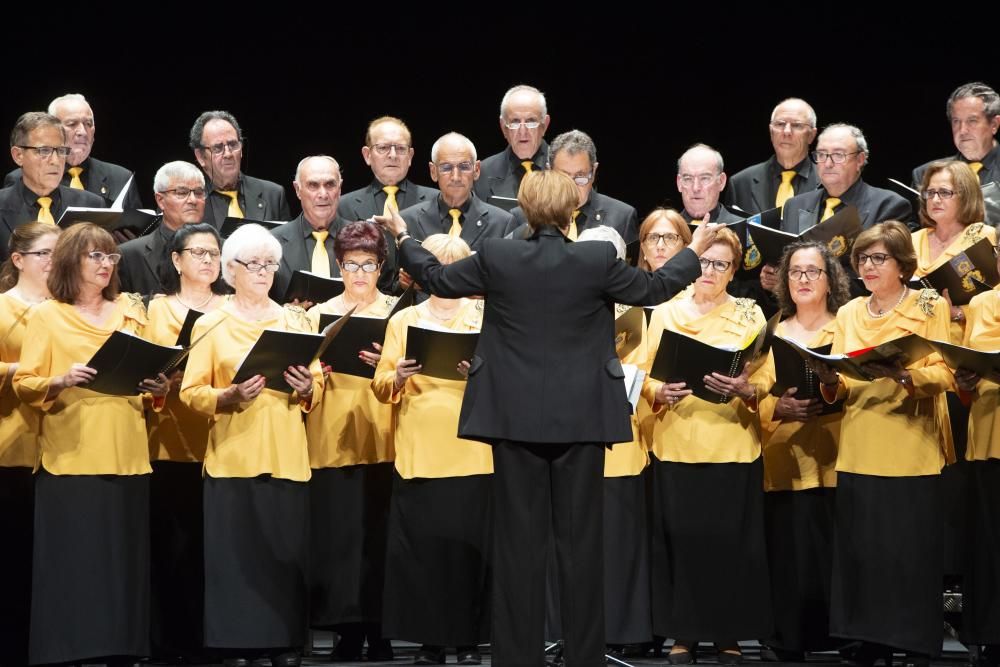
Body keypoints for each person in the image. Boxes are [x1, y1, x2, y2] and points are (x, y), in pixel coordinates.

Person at [378, 169, 716, 667]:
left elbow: (436, 278)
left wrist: (402, 237)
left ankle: (516, 658)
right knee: (581, 545)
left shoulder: (498, 256)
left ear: (525, 208)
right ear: (571, 210)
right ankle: (583, 658)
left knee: (518, 545)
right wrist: (696, 247)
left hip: (513, 421)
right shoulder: (597, 259)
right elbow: (657, 287)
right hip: (581, 421)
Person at [14, 222, 168, 666]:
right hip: (72, 454)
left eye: (111, 257)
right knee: (75, 561)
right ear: (70, 262)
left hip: (127, 450)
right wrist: (60, 380)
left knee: (122, 562)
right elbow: (26, 383)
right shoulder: (47, 315)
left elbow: (155, 383)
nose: (105, 265)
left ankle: (123, 647)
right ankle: (71, 650)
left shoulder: (131, 314)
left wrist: (159, 385)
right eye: (95, 257)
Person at [179, 223, 322, 667]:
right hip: (233, 454)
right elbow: (190, 392)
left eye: (270, 264)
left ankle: (282, 643)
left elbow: (314, 387)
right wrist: (227, 396)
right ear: (229, 270)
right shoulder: (211, 323)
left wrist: (305, 387)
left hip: (284, 453)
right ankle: (236, 645)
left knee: (281, 553)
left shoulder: (294, 321)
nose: (263, 272)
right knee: (236, 557)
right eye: (253, 264)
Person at [811, 221, 954, 666]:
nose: (867, 267)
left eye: (878, 259)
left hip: (910, 442)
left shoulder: (929, 304)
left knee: (906, 552)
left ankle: (912, 639)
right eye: (862, 259)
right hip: (860, 442)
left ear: (903, 265)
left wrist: (908, 375)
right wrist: (829, 381)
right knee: (862, 552)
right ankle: (865, 638)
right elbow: (844, 385)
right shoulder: (851, 312)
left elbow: (947, 372)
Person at [642, 227, 770, 665]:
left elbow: (761, 377)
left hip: (732, 443)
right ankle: (684, 634)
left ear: (733, 271)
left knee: (727, 544)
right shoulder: (663, 312)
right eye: (704, 262)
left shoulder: (750, 315)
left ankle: (726, 635)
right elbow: (644, 374)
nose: (709, 271)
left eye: (721, 264)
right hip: (678, 441)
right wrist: (658, 393)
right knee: (682, 543)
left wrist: (745, 387)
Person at [373, 234, 490, 666]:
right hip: (421, 452)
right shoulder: (404, 321)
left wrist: (478, 373)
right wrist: (399, 376)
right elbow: (381, 385)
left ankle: (468, 640)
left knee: (467, 553)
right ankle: (431, 641)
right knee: (424, 554)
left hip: (473, 451)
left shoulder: (485, 316)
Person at [304, 221, 397, 662]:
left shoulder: (399, 315)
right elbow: (302, 380)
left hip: (385, 437)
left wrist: (388, 363)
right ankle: (346, 631)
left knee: (380, 538)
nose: (360, 273)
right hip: (332, 436)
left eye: (369, 264)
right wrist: (314, 372)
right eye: (351, 264)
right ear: (338, 266)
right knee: (340, 540)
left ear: (381, 267)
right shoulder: (316, 314)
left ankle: (381, 629)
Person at [753, 241, 851, 660]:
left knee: (832, 549)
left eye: (813, 271)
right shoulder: (771, 329)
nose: (803, 280)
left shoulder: (846, 325)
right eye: (795, 272)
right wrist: (778, 404)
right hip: (784, 456)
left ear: (831, 280)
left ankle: (839, 635)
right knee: (789, 551)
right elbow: (750, 393)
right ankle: (787, 637)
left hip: (836, 453)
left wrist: (833, 384)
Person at [144, 222, 227, 658]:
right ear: (176, 260)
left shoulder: (233, 308)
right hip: (171, 442)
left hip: (225, 442)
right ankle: (171, 640)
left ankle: (215, 638)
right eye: (197, 253)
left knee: (214, 548)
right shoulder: (155, 311)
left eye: (214, 253)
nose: (208, 260)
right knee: (174, 546)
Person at [0, 222, 59, 667]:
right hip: (13, 444)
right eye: (45, 254)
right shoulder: (4, 308)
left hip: (61, 445)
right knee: (16, 554)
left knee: (54, 558)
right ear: (18, 260)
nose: (54, 262)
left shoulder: (67, 309)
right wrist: (29, 366)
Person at [954, 248, 1000, 662]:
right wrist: (965, 377)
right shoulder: (981, 303)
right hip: (989, 436)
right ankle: (990, 636)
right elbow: (966, 380)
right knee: (989, 544)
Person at [338, 116, 438, 293]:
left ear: (410, 156)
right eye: (383, 148)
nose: (392, 155)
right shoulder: (343, 205)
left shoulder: (434, 201)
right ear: (367, 155)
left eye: (400, 148)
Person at [4, 93, 143, 208]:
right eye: (72, 124)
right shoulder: (21, 177)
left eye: (88, 124)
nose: (82, 132)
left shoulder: (121, 177)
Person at [0, 112, 104, 258]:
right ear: (18, 155)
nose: (55, 161)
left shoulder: (91, 205)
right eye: (45, 151)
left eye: (61, 151)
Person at [507, 130, 639, 243]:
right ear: (549, 171)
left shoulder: (622, 218)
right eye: (563, 176)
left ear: (593, 172)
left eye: (580, 176)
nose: (571, 187)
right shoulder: (521, 216)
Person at [779, 124, 912, 234]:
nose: (828, 164)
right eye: (821, 154)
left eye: (838, 155)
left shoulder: (889, 206)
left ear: (860, 160)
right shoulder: (794, 205)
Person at [399, 132, 515, 250]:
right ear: (433, 172)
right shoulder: (408, 220)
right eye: (446, 168)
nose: (455, 177)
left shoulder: (502, 223)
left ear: (477, 170)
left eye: (464, 167)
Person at [118, 161, 208, 296]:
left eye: (199, 192)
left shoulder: (224, 250)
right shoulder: (129, 255)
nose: (193, 200)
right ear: (160, 200)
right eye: (182, 192)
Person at [188, 111, 291, 227]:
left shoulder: (273, 194)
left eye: (233, 145)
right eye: (217, 148)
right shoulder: (188, 201)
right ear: (200, 156)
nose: (228, 154)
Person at [270, 156, 349, 302]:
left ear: (340, 188)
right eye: (313, 185)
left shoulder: (361, 239)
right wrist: (284, 313)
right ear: (297, 190)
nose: (323, 194)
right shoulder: (272, 242)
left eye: (330, 184)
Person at [725, 98, 820, 214]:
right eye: (780, 124)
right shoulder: (741, 183)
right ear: (771, 132)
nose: (786, 131)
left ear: (811, 135)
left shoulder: (826, 182)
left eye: (796, 125)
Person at [474, 84, 551, 205]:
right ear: (503, 127)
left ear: (544, 125)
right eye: (515, 122)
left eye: (531, 121)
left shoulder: (567, 168)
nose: (522, 131)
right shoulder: (482, 173)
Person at [912, 82, 1000, 188]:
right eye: (956, 121)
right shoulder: (926, 174)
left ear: (994, 124)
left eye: (972, 121)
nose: (962, 130)